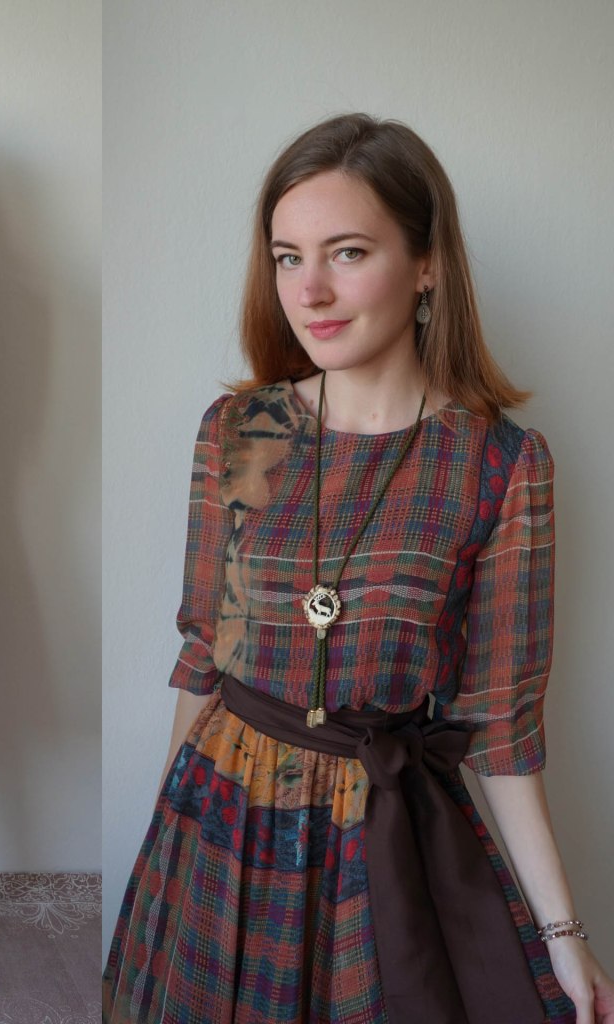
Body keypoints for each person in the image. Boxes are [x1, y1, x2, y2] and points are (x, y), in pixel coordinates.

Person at [103, 114, 614, 1023]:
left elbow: (500, 723)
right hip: (220, 818)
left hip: (382, 841)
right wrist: (162, 838)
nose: (311, 291)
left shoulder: (500, 464)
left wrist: (564, 934)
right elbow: (204, 652)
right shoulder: (243, 430)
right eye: (287, 258)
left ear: (426, 266)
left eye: (346, 252)